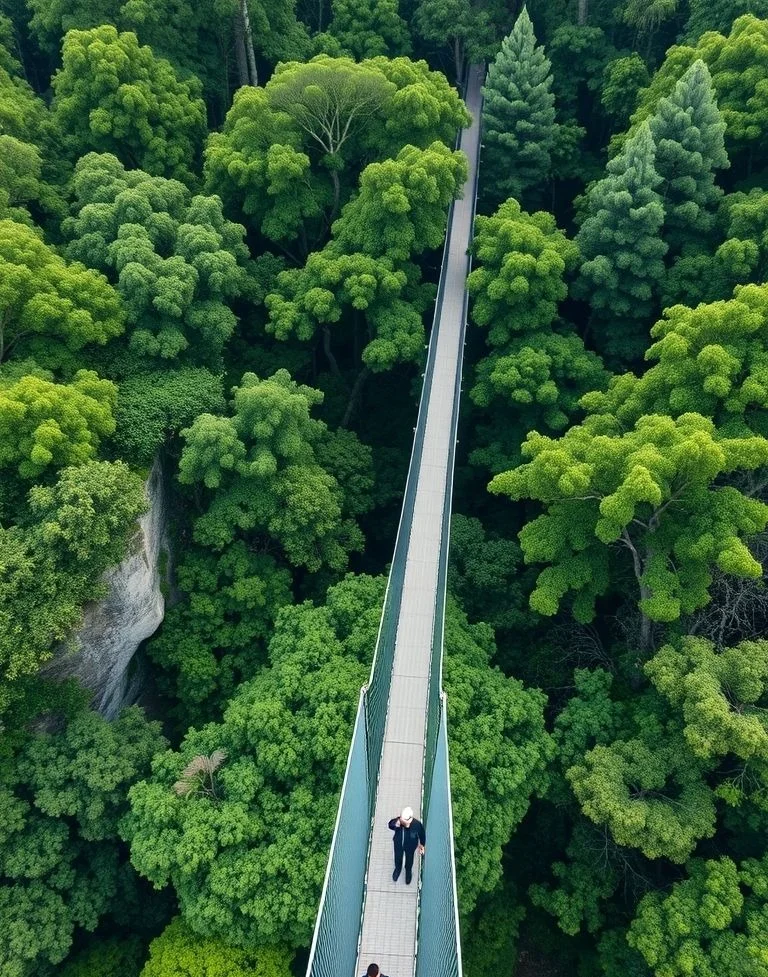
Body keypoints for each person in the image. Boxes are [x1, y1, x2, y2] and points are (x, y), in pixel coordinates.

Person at [388, 806, 426, 885]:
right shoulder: (399, 821)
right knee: (398, 858)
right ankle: (398, 869)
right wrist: (395, 823)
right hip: (398, 844)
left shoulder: (417, 825)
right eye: (401, 818)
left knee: (409, 860)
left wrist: (422, 845)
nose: (401, 820)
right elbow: (390, 825)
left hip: (410, 847)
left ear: (410, 819)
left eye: (403, 819)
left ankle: (408, 872)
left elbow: (422, 835)